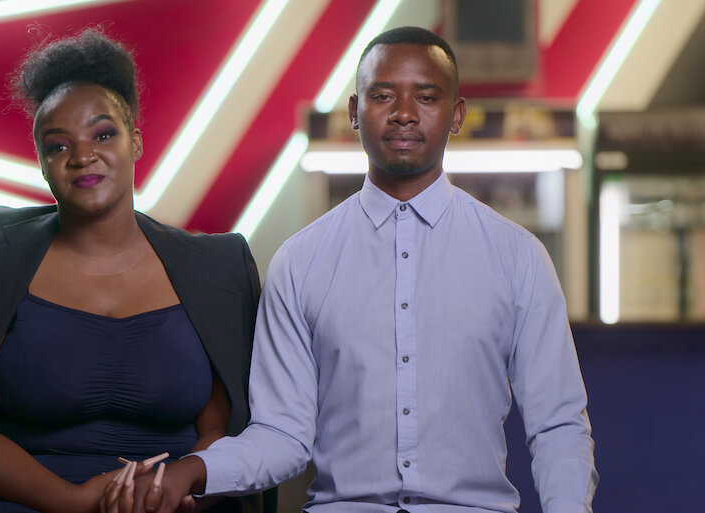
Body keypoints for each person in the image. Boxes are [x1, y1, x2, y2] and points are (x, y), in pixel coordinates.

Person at [128, 26, 598, 513]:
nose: (404, 113)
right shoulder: (299, 262)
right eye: (383, 95)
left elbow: (557, 424)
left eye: (426, 97)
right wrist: (192, 470)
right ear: (354, 111)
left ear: (457, 115)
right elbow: (282, 434)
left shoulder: (518, 257)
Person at [0, 28, 269, 513]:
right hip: (24, 502)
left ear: (135, 141)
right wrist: (72, 500)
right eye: (57, 146)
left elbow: (222, 429)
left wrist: (172, 490)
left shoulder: (217, 270)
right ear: (42, 164)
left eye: (103, 134)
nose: (82, 156)